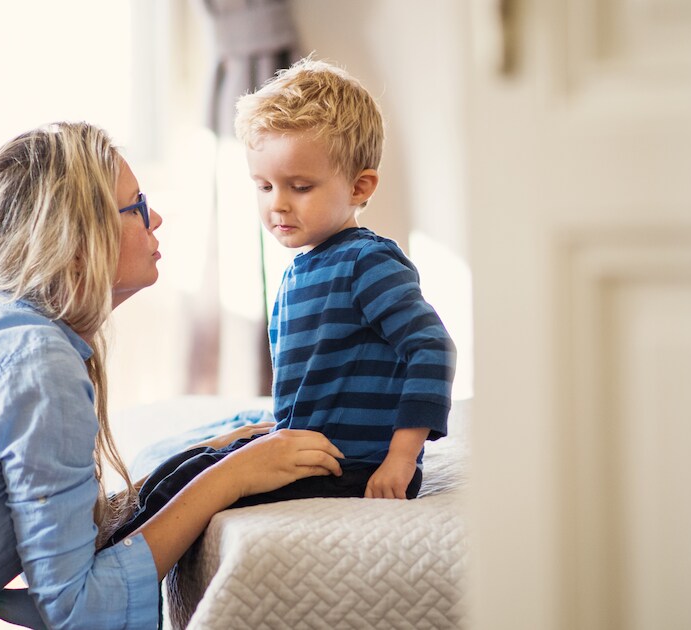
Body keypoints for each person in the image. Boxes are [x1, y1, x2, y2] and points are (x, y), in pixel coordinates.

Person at [0, 121, 345, 630]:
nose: (158, 218)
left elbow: (61, 529)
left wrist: (201, 460)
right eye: (137, 206)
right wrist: (231, 478)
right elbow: (78, 610)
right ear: (77, 242)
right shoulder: (36, 361)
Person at [105, 58, 457, 541]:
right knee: (189, 465)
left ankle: (103, 564)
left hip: (351, 465)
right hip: (309, 451)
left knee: (197, 486)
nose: (278, 204)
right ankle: (92, 546)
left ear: (359, 187)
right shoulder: (302, 268)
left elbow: (432, 349)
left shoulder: (366, 263)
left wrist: (400, 459)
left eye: (300, 187)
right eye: (265, 186)